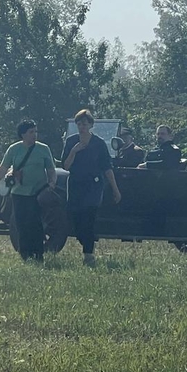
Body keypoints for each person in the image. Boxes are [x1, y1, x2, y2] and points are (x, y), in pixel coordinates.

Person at [0, 119, 56, 262]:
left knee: (36, 224)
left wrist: (52, 183)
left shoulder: (43, 149)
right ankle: (25, 255)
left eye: (35, 131)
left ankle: (38, 254)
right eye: (31, 132)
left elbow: (51, 169)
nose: (34, 135)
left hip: (38, 192)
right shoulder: (13, 149)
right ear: (23, 134)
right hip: (19, 193)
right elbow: (2, 169)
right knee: (22, 224)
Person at [61, 109, 122, 265]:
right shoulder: (70, 141)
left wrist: (115, 189)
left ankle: (88, 255)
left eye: (85, 123)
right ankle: (87, 242)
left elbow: (107, 168)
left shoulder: (99, 143)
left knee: (88, 218)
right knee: (75, 218)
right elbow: (66, 166)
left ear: (91, 125)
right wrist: (74, 151)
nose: (82, 126)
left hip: (93, 185)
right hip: (75, 183)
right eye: (79, 124)